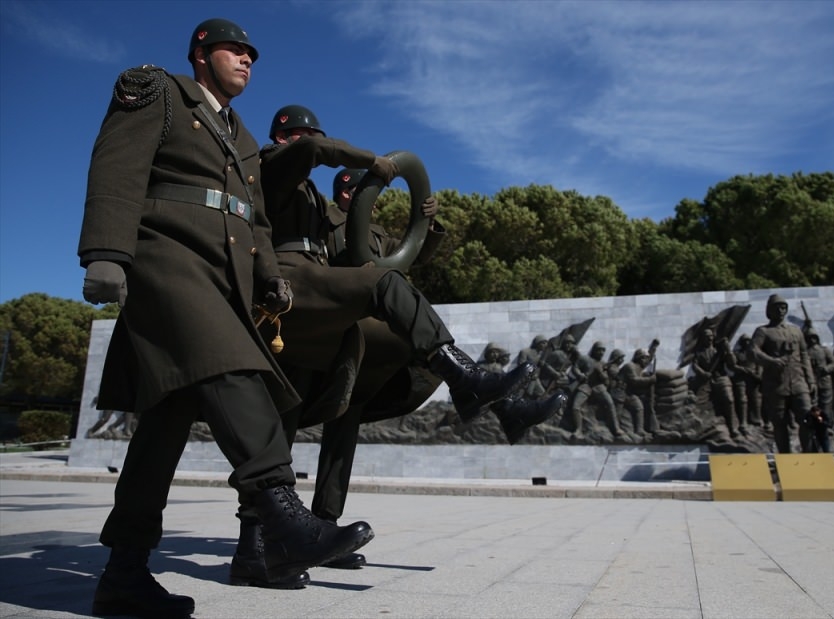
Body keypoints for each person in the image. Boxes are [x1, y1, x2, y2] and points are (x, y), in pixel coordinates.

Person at [77, 19, 372, 618]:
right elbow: (116, 165)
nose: (246, 59)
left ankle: (124, 571)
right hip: (166, 257)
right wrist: (105, 252)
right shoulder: (157, 90)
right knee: (233, 366)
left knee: (162, 428)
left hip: (225, 277)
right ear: (200, 54)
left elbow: (255, 220)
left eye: (252, 55)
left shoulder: (238, 134)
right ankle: (286, 518)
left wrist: (269, 276)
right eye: (234, 50)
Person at [245, 104, 566, 585]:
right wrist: (376, 163)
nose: (310, 140)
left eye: (315, 133)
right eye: (303, 134)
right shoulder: (284, 179)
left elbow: (399, 263)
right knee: (280, 429)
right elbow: (360, 269)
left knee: (349, 415)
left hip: (337, 329)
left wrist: (426, 223)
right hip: (305, 312)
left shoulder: (317, 204)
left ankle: (319, 530)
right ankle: (257, 545)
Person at [328, 167, 446, 264]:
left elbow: (415, 255)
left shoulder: (378, 237)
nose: (374, 198)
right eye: (367, 191)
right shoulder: (325, 220)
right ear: (345, 194)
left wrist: (427, 221)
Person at [751, 295, 816, 453]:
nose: (781, 310)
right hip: (776, 384)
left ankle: (809, 455)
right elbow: (752, 351)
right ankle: (785, 459)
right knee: (780, 424)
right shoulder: (763, 331)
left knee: (808, 419)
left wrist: (811, 380)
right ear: (769, 311)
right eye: (777, 307)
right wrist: (771, 361)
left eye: (783, 307)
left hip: (799, 382)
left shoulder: (796, 331)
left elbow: (804, 356)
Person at [691, 328, 740, 437]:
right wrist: (703, 373)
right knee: (697, 402)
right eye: (706, 336)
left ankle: (733, 428)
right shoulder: (699, 353)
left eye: (711, 336)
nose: (709, 338)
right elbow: (695, 365)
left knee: (729, 399)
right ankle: (701, 427)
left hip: (720, 378)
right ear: (702, 339)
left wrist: (728, 350)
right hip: (706, 381)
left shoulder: (719, 351)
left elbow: (732, 364)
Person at [804, 329, 834, 429]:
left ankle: (827, 425)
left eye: (814, 337)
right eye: (810, 338)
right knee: (813, 404)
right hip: (812, 381)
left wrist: (826, 369)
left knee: (826, 404)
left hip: (825, 379)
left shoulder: (824, 350)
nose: (812, 340)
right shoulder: (806, 353)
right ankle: (815, 424)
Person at [731, 334, 764, 429]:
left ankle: (757, 419)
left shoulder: (754, 354)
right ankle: (743, 422)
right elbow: (733, 366)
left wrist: (758, 374)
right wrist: (745, 370)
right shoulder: (737, 354)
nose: (747, 342)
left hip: (753, 379)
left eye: (749, 340)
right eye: (745, 340)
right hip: (740, 379)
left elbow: (760, 365)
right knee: (742, 399)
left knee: (756, 398)